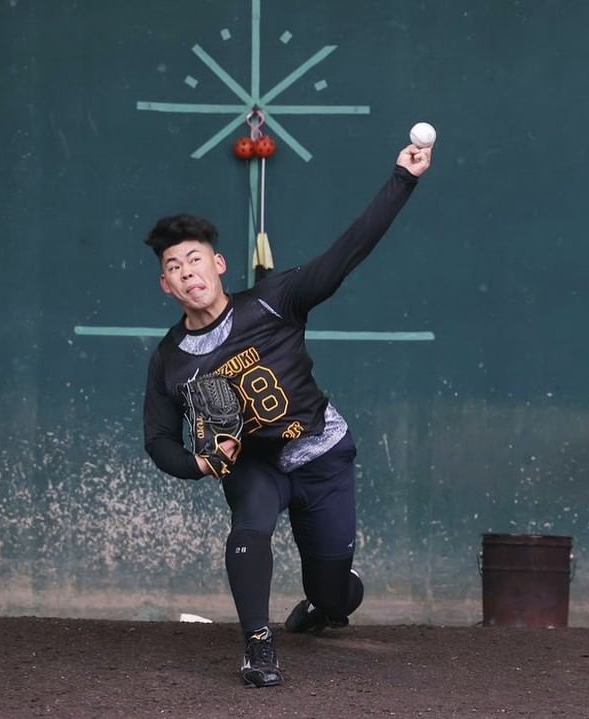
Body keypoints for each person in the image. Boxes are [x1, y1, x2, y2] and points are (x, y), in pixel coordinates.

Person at [142, 143, 432, 688]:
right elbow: (158, 438)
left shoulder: (274, 300)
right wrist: (198, 464)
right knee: (248, 526)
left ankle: (327, 603)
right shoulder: (170, 359)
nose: (186, 272)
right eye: (173, 267)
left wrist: (403, 178)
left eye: (194, 259)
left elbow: (349, 250)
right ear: (165, 285)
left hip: (322, 454)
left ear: (218, 264)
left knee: (332, 591)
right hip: (256, 463)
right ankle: (258, 646)